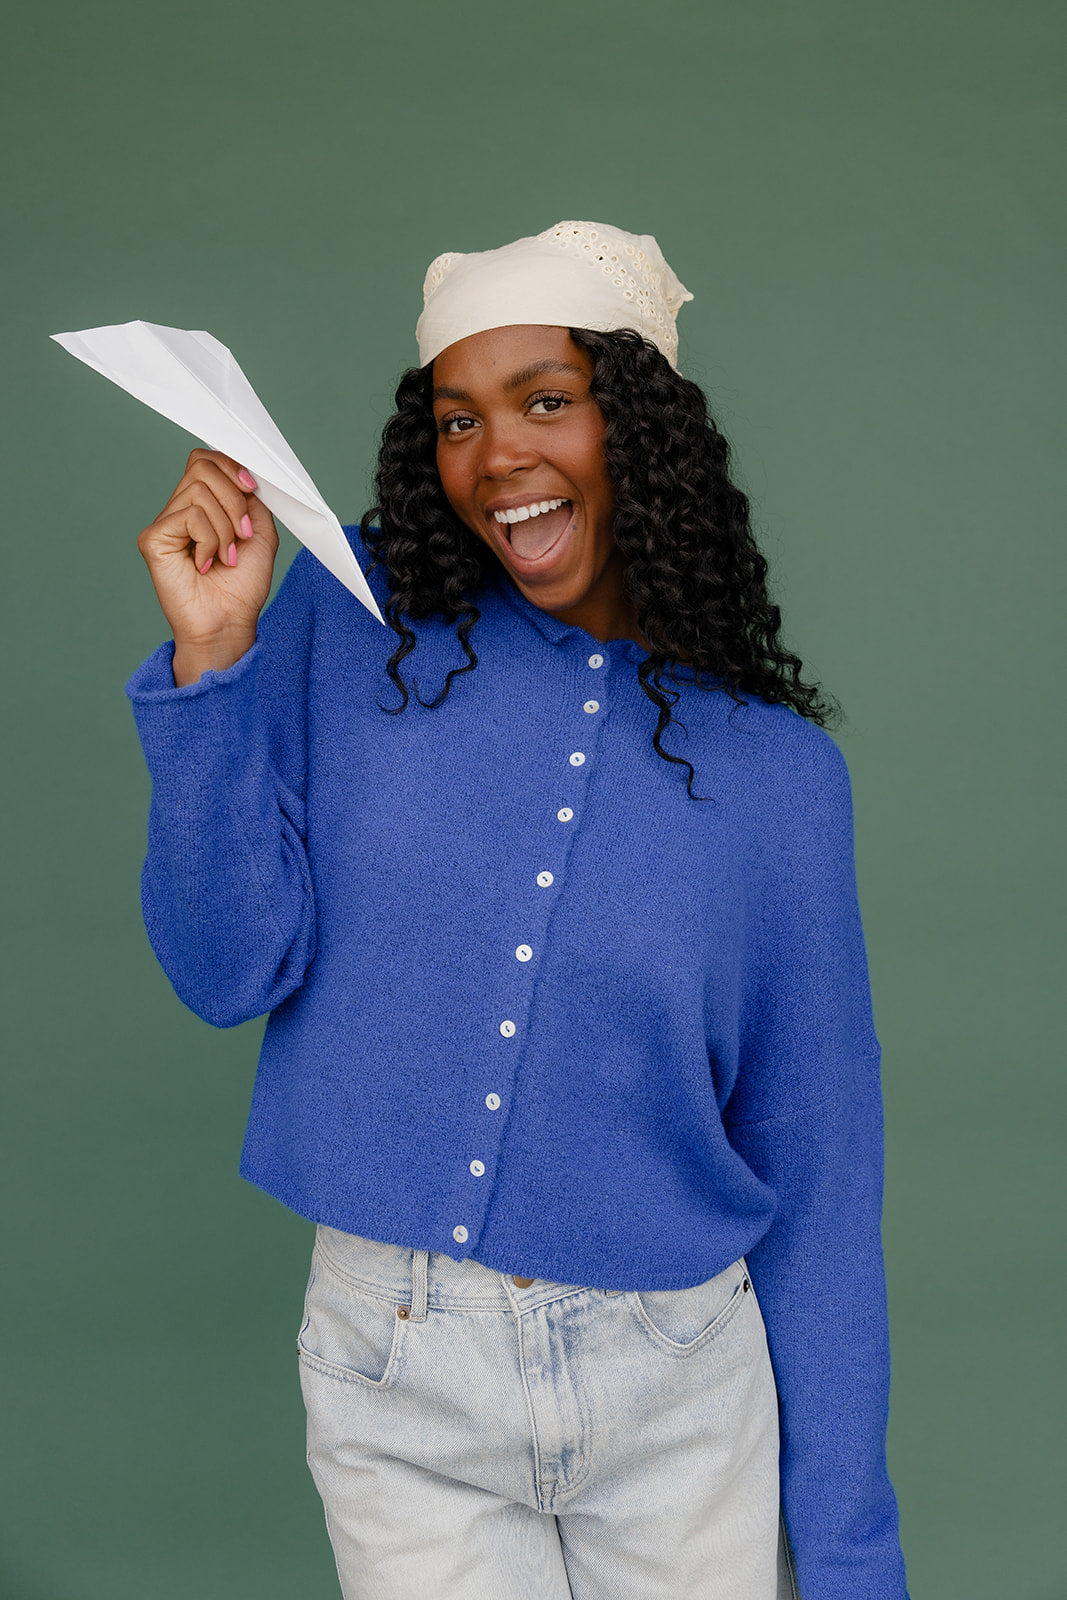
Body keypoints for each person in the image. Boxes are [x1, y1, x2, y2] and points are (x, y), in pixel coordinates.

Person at [126, 221, 909, 1600]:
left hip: (678, 1383)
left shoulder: (781, 779)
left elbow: (823, 1174)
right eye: (457, 420)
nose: (498, 458)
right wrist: (215, 661)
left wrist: (850, 1559)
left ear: (640, 423)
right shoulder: (350, 630)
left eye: (548, 401)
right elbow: (225, 969)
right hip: (395, 1363)